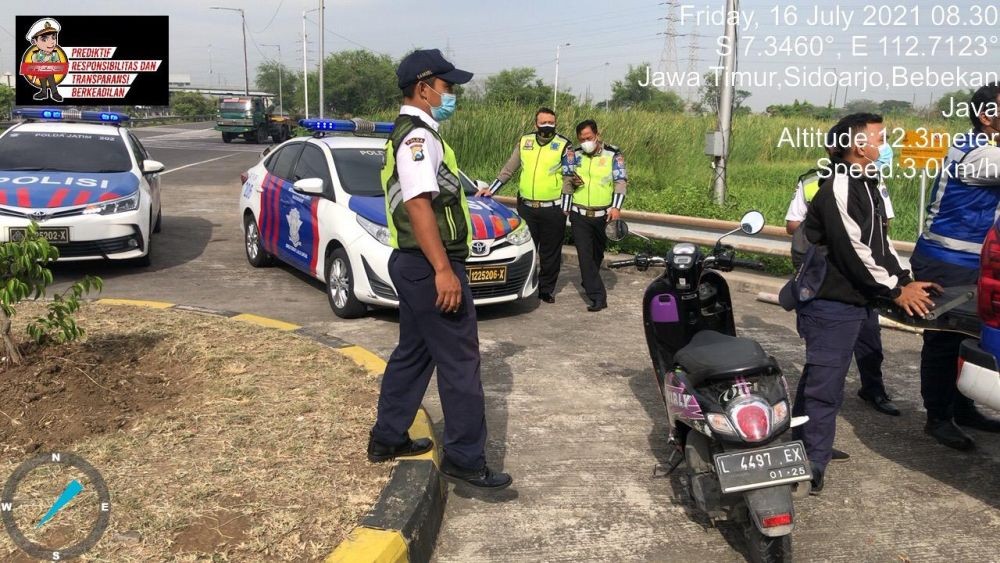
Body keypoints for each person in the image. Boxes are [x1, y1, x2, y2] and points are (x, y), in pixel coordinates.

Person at [368, 49, 512, 490]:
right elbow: (418, 205)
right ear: (423, 87)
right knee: (460, 361)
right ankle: (465, 458)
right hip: (430, 265)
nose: (451, 95)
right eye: (447, 88)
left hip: (416, 265)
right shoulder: (418, 138)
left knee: (414, 354)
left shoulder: (419, 134)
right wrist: (443, 271)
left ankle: (387, 438)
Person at [794, 113, 940, 493]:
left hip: (858, 299)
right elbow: (853, 251)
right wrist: (894, 293)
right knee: (825, 383)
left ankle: (804, 441)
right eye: (881, 137)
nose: (885, 144)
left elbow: (881, 245)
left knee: (820, 374)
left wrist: (905, 280)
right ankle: (813, 458)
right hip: (831, 302)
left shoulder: (869, 183)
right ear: (858, 146)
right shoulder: (839, 186)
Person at [911, 82, 1000, 451]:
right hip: (947, 261)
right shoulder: (977, 153)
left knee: (969, 337)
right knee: (944, 340)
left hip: (971, 261)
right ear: (986, 117)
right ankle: (938, 418)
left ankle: (962, 408)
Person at [785, 142, 901, 419]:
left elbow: (883, 227)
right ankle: (811, 442)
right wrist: (829, 224)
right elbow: (792, 225)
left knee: (869, 341)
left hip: (864, 280)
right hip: (829, 283)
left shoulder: (871, 181)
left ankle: (873, 389)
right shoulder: (814, 181)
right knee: (824, 369)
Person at [477, 108, 572, 303]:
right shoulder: (525, 142)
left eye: (551, 123)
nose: (547, 126)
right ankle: (525, 284)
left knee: (550, 253)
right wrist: (492, 189)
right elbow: (509, 168)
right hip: (527, 206)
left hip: (553, 208)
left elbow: (568, 179)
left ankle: (546, 290)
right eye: (543, 122)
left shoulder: (564, 145)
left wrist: (565, 208)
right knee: (527, 248)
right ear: (535, 124)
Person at [560, 119, 627, 312]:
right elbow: (566, 181)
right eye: (582, 139)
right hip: (579, 213)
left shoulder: (613, 154)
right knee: (584, 256)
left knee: (596, 255)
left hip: (603, 215)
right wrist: (567, 203)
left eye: (588, 137)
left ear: (597, 135)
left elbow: (620, 181)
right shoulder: (574, 155)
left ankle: (588, 280)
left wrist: (616, 208)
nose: (585, 142)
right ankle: (597, 296)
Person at [24, 19, 64, 102]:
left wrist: (54, 63)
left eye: (53, 38)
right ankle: (44, 92)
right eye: (44, 39)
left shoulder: (54, 54)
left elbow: (58, 64)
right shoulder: (36, 54)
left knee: (51, 78)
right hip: (41, 72)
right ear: (35, 42)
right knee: (42, 78)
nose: (51, 42)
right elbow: (34, 63)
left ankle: (54, 92)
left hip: (50, 72)